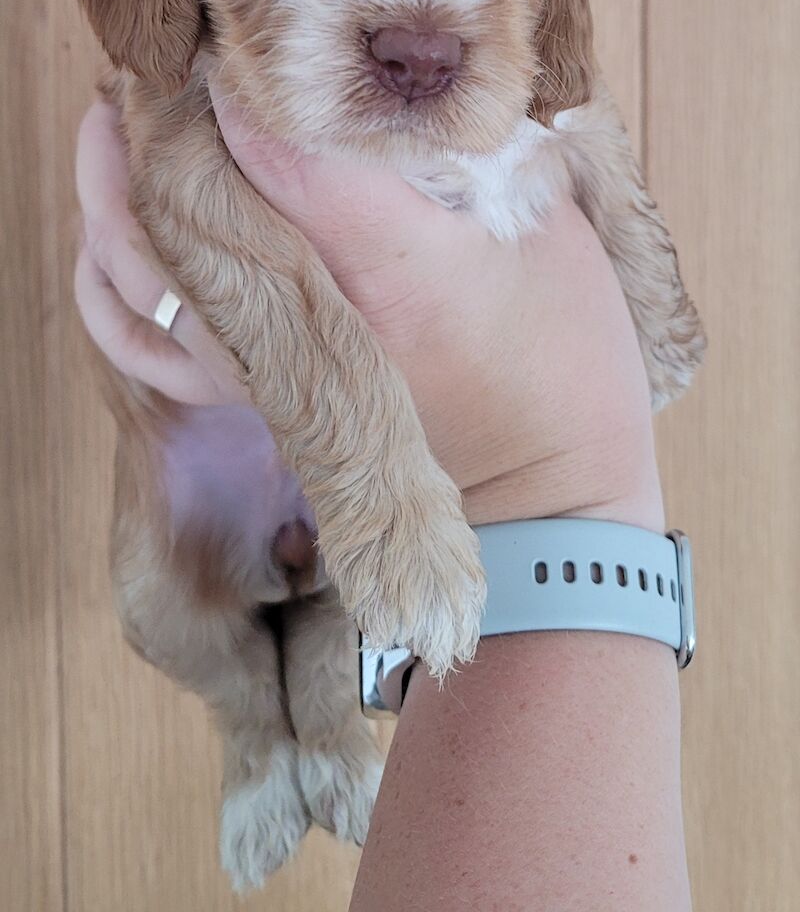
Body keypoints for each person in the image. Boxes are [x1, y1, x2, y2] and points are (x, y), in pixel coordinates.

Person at [75, 95, 692, 910]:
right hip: (213, 457)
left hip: (405, 470)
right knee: (161, 607)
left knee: (387, 576)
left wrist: (639, 324)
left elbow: (576, 120)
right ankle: (255, 727)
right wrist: (577, 471)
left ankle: (330, 717)